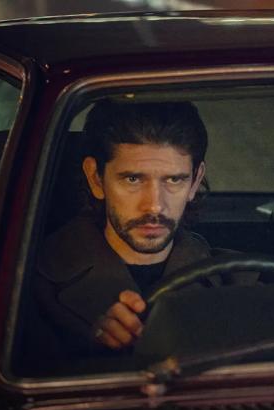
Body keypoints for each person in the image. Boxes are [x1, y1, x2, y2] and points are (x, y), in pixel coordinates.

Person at [30, 100, 218, 361]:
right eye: (133, 179)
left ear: (195, 181)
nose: (154, 205)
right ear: (96, 178)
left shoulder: (239, 279)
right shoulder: (27, 285)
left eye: (174, 179)